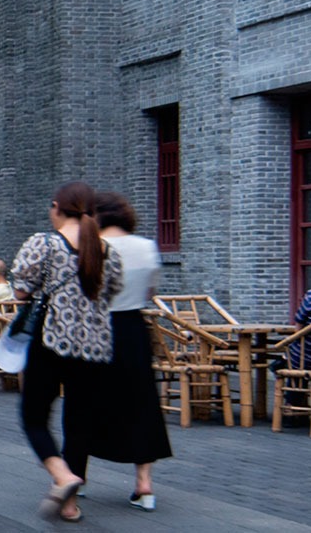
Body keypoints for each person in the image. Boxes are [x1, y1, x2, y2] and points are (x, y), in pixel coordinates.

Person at [13, 180, 122, 524]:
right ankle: (70, 504)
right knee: (79, 424)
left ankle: (62, 476)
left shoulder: (43, 243)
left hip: (51, 342)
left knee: (33, 417)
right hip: (94, 349)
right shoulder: (107, 252)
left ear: (57, 208)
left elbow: (19, 291)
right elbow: (113, 294)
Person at [87, 191, 170, 512]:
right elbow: (151, 290)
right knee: (142, 403)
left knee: (87, 400)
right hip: (134, 330)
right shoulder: (147, 247)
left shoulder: (93, 249)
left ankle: (76, 475)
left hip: (98, 328)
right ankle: (144, 484)